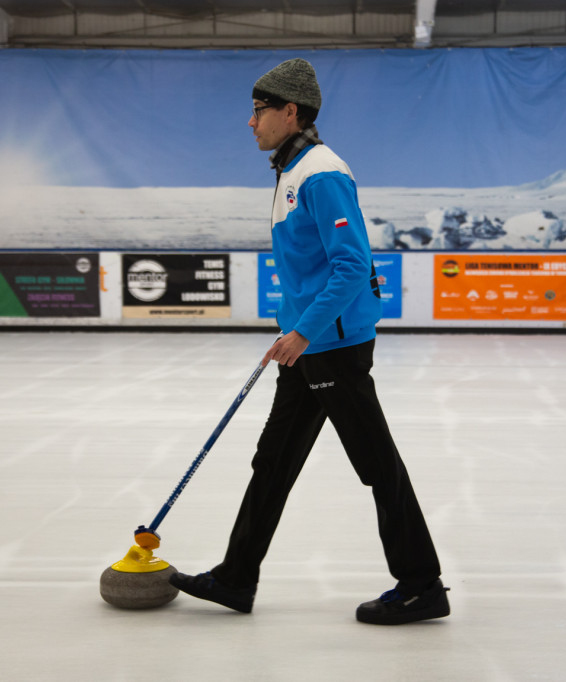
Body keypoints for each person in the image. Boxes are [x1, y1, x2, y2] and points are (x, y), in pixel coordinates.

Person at [170, 58, 449, 626]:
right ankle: (236, 576)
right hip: (306, 345)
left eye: (258, 111)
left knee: (377, 465)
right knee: (272, 462)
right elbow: (309, 268)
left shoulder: (321, 173)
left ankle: (422, 585)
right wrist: (292, 330)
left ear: (289, 111)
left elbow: (351, 266)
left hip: (332, 347)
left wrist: (302, 330)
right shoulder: (290, 169)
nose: (250, 122)